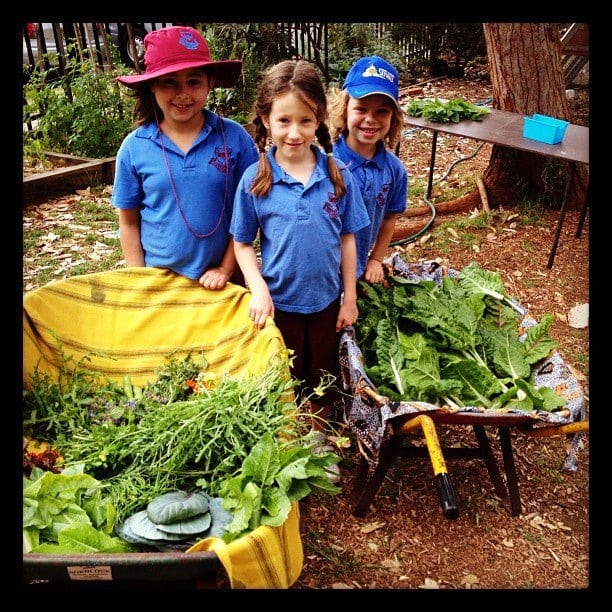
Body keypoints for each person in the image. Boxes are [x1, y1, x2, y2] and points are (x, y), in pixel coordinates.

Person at [230, 60, 370, 477]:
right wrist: (258, 288)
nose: (294, 132)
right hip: (280, 304)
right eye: (283, 120)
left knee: (323, 377)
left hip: (326, 303)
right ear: (265, 120)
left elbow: (348, 238)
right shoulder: (256, 179)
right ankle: (287, 444)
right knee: (285, 377)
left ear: (320, 120)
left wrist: (350, 296)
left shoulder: (337, 173)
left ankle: (321, 439)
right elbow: (241, 243)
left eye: (305, 120)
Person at [111, 26, 258, 289]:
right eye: (170, 81)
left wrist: (226, 268)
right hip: (158, 282)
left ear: (210, 82)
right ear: (152, 85)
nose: (183, 93)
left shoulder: (234, 138)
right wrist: (139, 279)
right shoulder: (134, 148)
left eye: (194, 81)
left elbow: (248, 213)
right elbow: (129, 222)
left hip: (223, 282)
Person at [328, 56, 408, 285]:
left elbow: (390, 217)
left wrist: (375, 259)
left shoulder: (395, 170)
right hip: (323, 275)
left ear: (393, 118)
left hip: (359, 272)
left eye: (381, 111)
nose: (370, 119)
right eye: (361, 108)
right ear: (344, 109)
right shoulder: (324, 163)